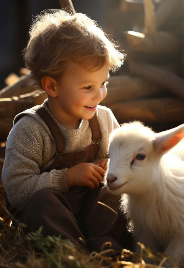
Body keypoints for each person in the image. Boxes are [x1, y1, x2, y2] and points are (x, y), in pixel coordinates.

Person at [2, 9, 128, 256]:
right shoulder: (30, 130)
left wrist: (110, 165)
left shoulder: (103, 119)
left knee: (119, 191)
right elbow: (17, 190)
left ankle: (105, 247)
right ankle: (73, 254)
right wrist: (68, 177)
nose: (99, 94)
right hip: (53, 220)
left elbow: (122, 159)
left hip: (91, 212)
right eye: (88, 86)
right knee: (42, 203)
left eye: (104, 83)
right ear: (52, 86)